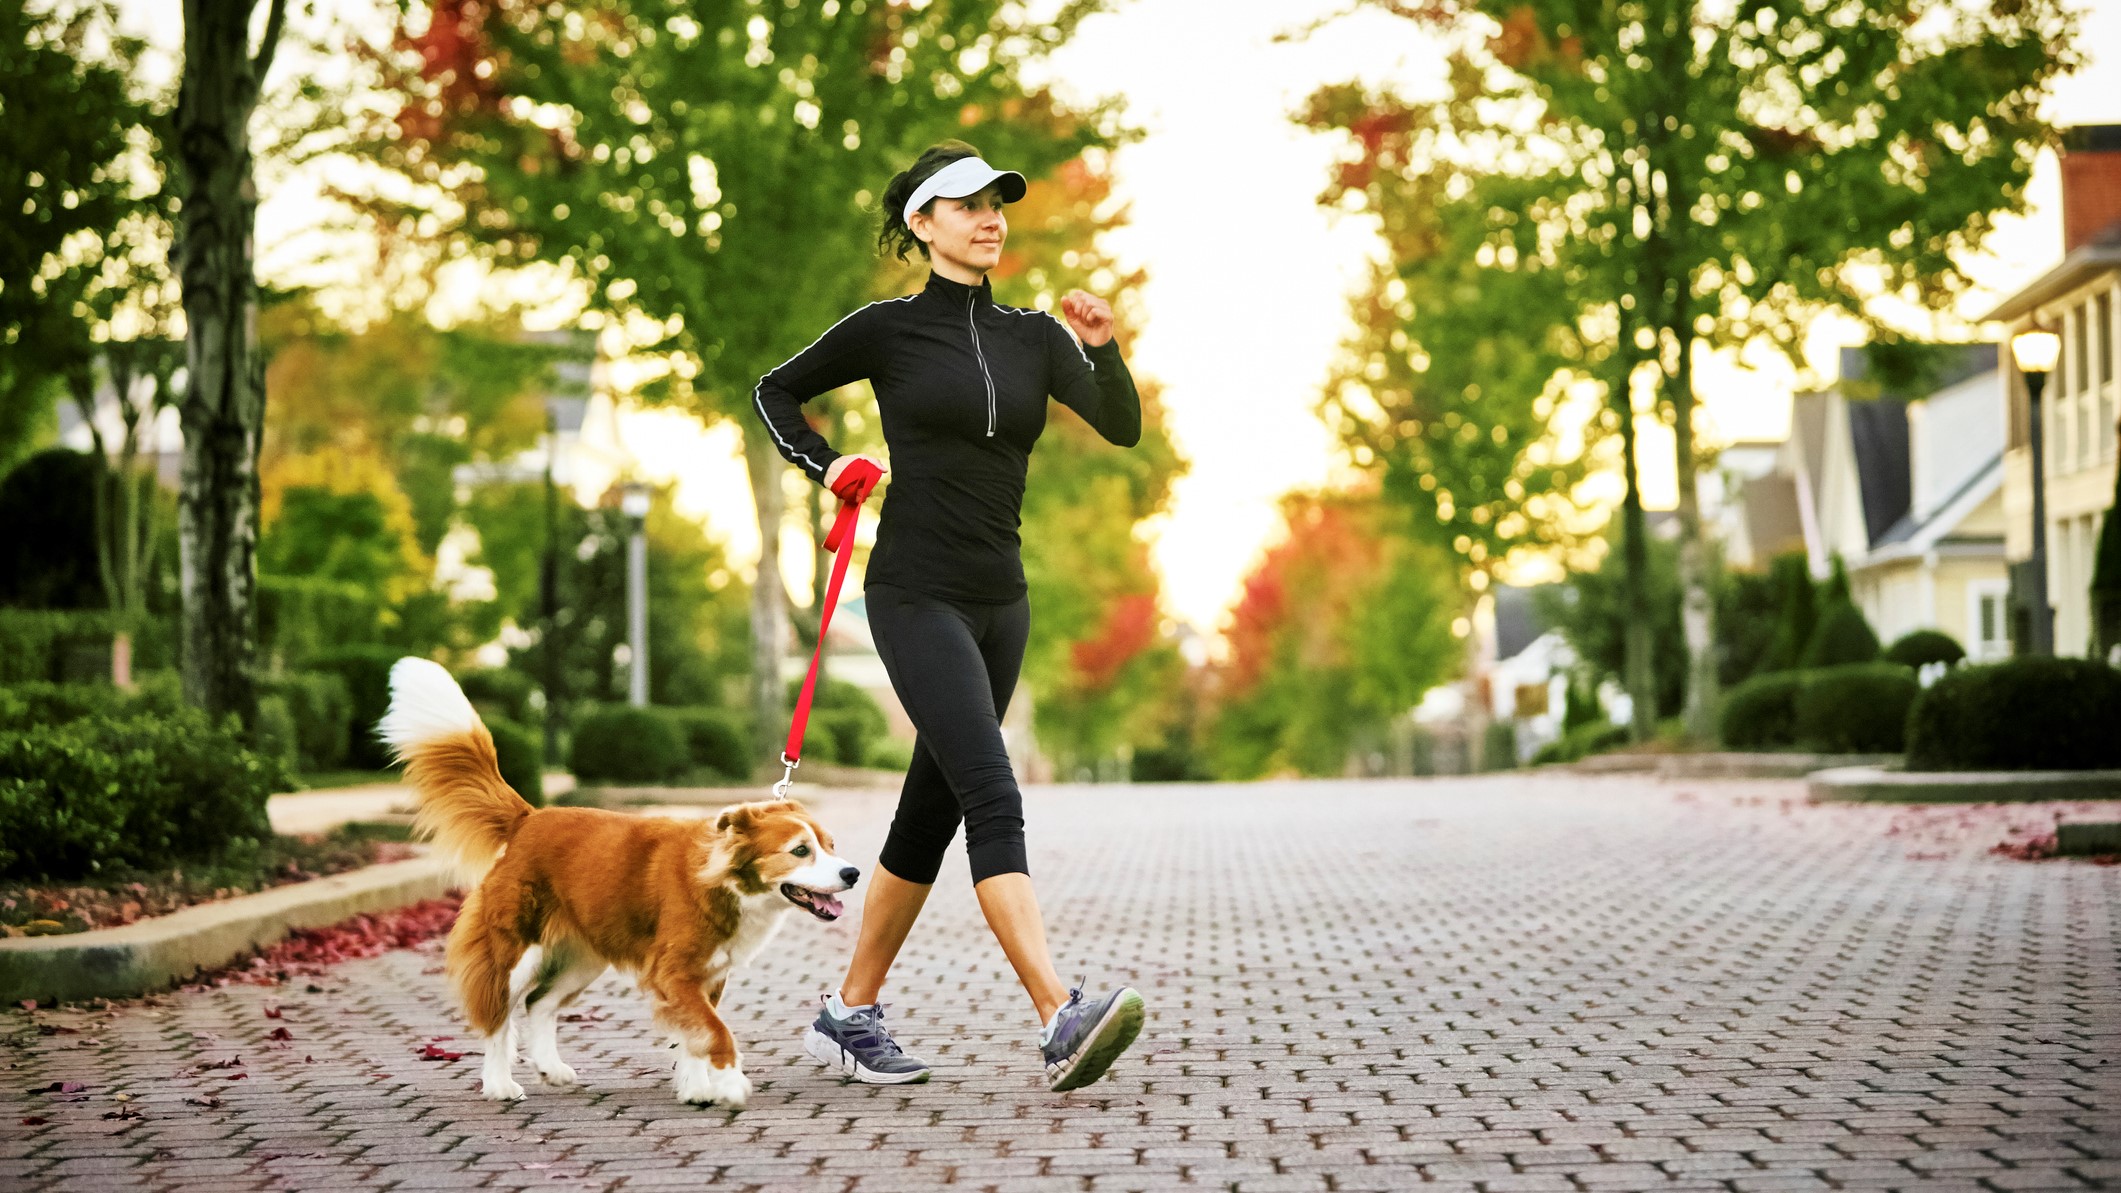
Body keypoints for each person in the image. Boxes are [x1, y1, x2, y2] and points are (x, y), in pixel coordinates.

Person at [750, 140, 1146, 1093]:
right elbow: (774, 390)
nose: (988, 218)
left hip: (1002, 602)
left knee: (929, 814)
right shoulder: (888, 330)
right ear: (921, 224)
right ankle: (1058, 1013)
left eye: (996, 203)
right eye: (966, 205)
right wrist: (828, 464)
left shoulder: (1035, 336)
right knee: (991, 792)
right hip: (914, 593)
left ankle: (848, 1013)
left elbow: (1121, 425)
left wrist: (1103, 347)